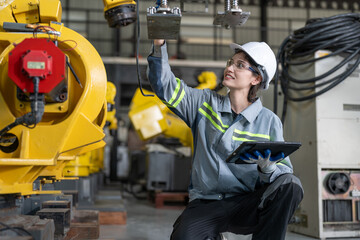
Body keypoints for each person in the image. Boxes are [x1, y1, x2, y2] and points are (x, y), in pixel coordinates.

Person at [146, 39, 303, 240]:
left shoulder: (268, 121)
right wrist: (160, 45)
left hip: (247, 204)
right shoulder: (203, 104)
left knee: (291, 185)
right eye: (231, 62)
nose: (229, 67)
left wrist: (268, 170)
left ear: (256, 78)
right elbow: (165, 87)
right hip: (206, 203)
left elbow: (283, 175)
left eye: (239, 65)